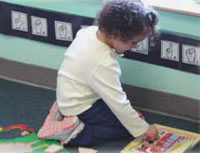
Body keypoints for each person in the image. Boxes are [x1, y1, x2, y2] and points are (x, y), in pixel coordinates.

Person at [38, 0, 159, 147]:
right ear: (115, 34)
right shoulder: (103, 63)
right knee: (121, 128)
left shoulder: (89, 32)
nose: (135, 46)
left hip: (71, 95)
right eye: (133, 43)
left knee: (126, 116)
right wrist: (144, 129)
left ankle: (66, 115)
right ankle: (74, 132)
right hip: (80, 105)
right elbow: (117, 101)